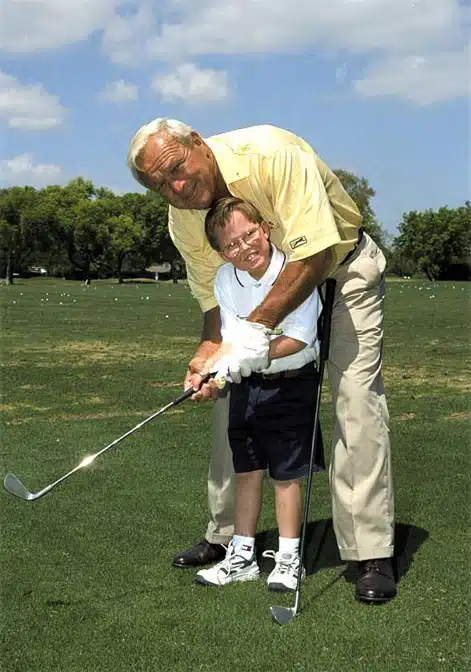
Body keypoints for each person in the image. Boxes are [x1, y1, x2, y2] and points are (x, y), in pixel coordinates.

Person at [126, 119, 396, 603]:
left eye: (178, 169)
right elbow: (213, 301)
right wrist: (209, 355)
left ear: (198, 145)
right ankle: (227, 535)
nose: (178, 188)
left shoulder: (270, 153)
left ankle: (369, 549)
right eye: (161, 185)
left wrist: (254, 330)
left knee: (356, 401)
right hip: (255, 294)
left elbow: (313, 255)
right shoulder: (182, 217)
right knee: (227, 395)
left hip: (343, 269)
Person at [194, 197, 324, 590]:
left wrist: (251, 357)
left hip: (293, 382)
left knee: (286, 475)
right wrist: (215, 370)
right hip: (246, 388)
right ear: (220, 252)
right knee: (247, 470)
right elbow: (232, 337)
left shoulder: (293, 272)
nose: (244, 247)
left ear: (264, 227)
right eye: (230, 245)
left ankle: (288, 557)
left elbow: (300, 339)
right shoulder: (224, 280)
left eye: (248, 234)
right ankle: (242, 555)